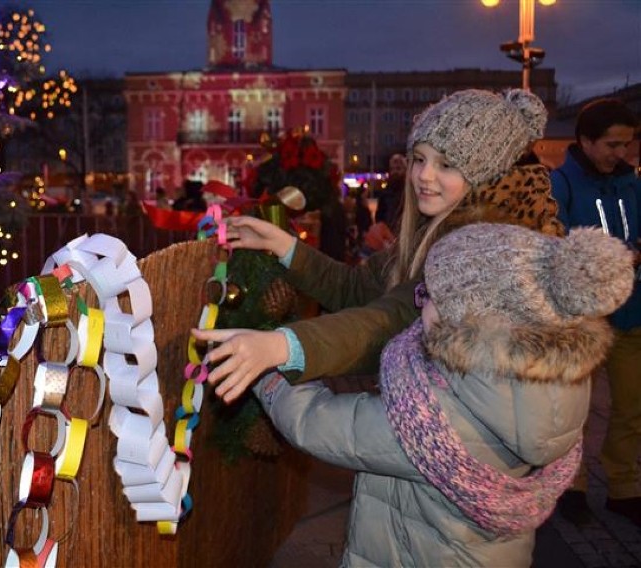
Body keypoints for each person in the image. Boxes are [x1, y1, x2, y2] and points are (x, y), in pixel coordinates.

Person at [252, 222, 634, 567]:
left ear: (470, 318)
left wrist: (269, 374)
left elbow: (317, 424)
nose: (419, 303)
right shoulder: (548, 386)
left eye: (430, 294)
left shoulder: (433, 424)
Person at [193, 88, 564, 403]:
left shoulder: (476, 254)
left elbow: (388, 322)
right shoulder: (431, 231)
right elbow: (358, 289)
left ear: (485, 178)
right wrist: (286, 246)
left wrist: (282, 346)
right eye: (420, 159)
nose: (424, 176)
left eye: (447, 165)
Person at [550, 98, 641, 527]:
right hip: (584, 317)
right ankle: (573, 486)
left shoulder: (633, 184)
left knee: (631, 407)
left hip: (632, 313)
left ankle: (624, 488)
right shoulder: (560, 185)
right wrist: (621, 256)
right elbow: (557, 245)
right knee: (576, 409)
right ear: (585, 141)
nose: (621, 153)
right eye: (611, 144)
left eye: (627, 144)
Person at [375, 152, 407, 232]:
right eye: (392, 169)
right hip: (389, 235)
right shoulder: (385, 194)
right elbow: (379, 218)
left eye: (398, 168)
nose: (395, 172)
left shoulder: (411, 193)